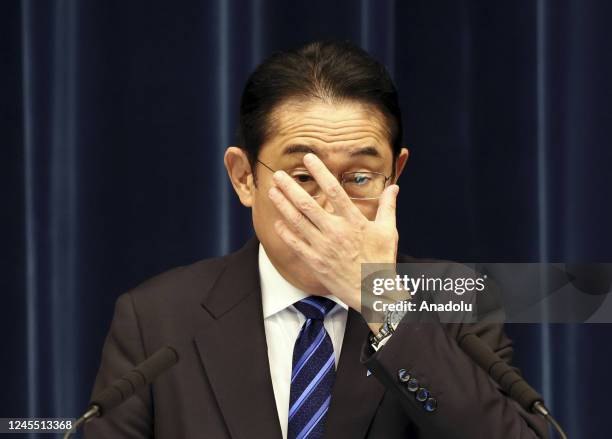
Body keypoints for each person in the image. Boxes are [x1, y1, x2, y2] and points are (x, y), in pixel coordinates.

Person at [84, 40, 547, 438]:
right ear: (244, 178)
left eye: (360, 177)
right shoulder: (156, 318)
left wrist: (382, 303)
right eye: (304, 176)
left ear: (395, 175)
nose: (329, 205)